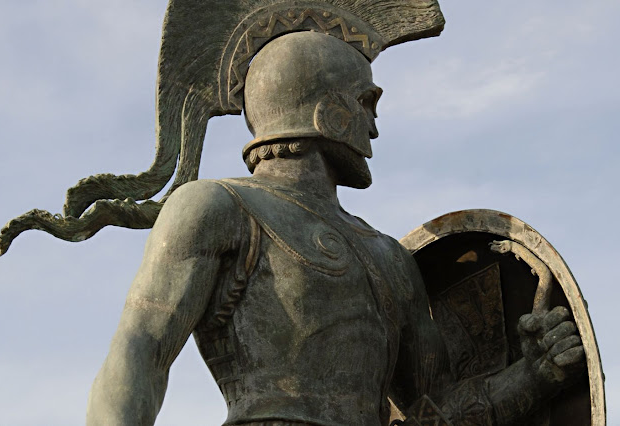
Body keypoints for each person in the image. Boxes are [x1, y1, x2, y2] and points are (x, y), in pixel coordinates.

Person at [86, 32, 584, 425]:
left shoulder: (389, 256)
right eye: (366, 103)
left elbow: (435, 412)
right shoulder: (216, 206)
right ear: (327, 111)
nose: (374, 127)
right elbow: (140, 353)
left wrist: (534, 375)